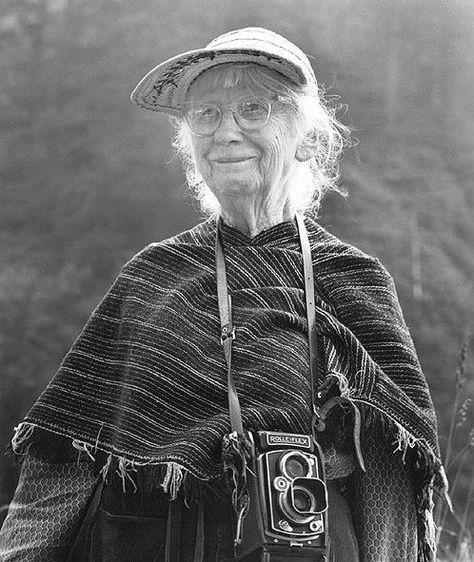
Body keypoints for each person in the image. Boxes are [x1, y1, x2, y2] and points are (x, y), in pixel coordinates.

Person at [0, 27, 447, 562]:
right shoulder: (153, 275)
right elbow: (65, 458)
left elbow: (387, 475)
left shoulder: (352, 279)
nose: (226, 132)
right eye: (206, 114)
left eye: (254, 108)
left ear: (306, 136)